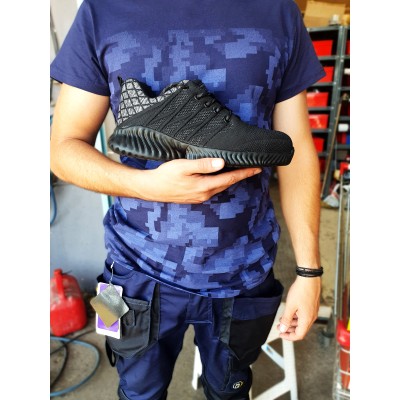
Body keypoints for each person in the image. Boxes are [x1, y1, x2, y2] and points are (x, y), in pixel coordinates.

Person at [50, 0, 325, 399]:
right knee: (136, 392)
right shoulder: (102, 10)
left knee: (230, 392)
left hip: (245, 270)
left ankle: (175, 112)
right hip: (131, 271)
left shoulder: (278, 10)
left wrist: (309, 273)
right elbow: (62, 150)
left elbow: (295, 150)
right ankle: (162, 112)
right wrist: (147, 186)